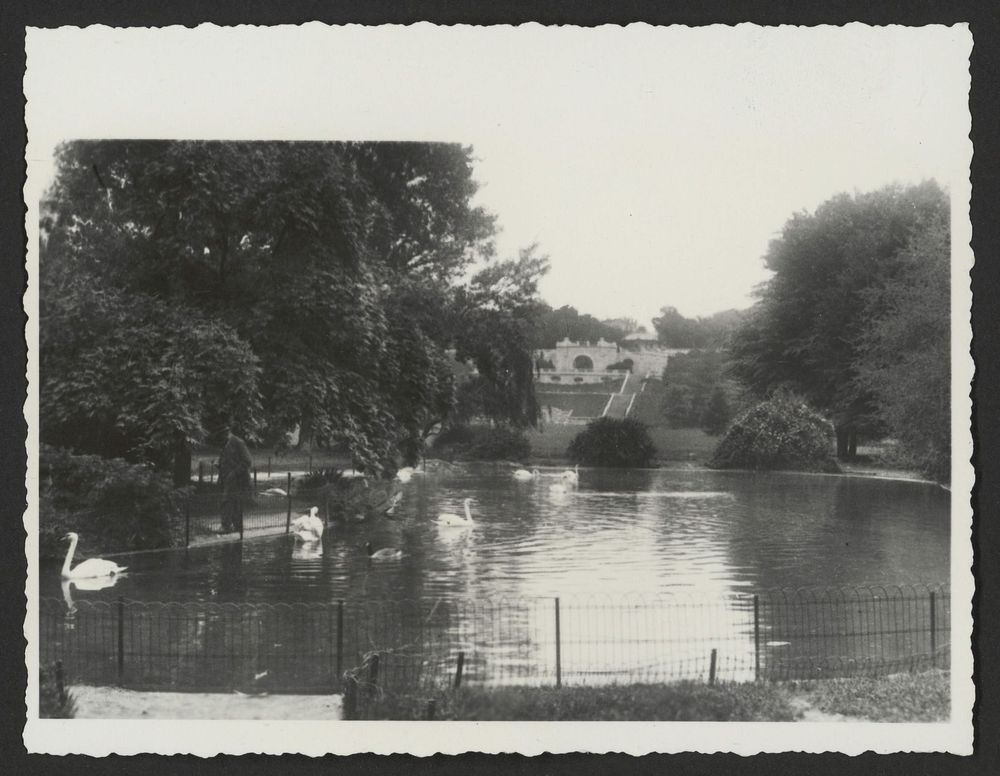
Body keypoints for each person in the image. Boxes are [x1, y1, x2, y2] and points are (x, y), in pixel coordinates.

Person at [219, 426, 252, 532]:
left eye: (221, 434)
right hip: (228, 479)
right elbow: (227, 460)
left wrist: (234, 473)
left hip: (238, 480)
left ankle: (227, 526)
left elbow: (247, 461)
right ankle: (235, 526)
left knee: (229, 501)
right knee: (232, 502)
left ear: (226, 432)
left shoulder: (238, 442)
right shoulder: (225, 444)